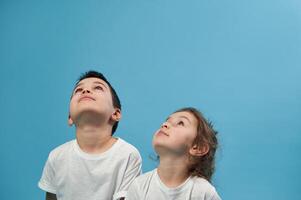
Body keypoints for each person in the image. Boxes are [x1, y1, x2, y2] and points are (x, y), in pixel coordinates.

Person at [38, 70, 142, 200]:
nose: (85, 91)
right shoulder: (56, 156)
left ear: (115, 114)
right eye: (78, 90)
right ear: (70, 117)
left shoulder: (127, 155)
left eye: (98, 87)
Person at [126, 107, 221, 200]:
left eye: (181, 123)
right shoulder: (139, 186)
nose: (165, 124)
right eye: (167, 121)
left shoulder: (203, 192)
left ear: (198, 147)